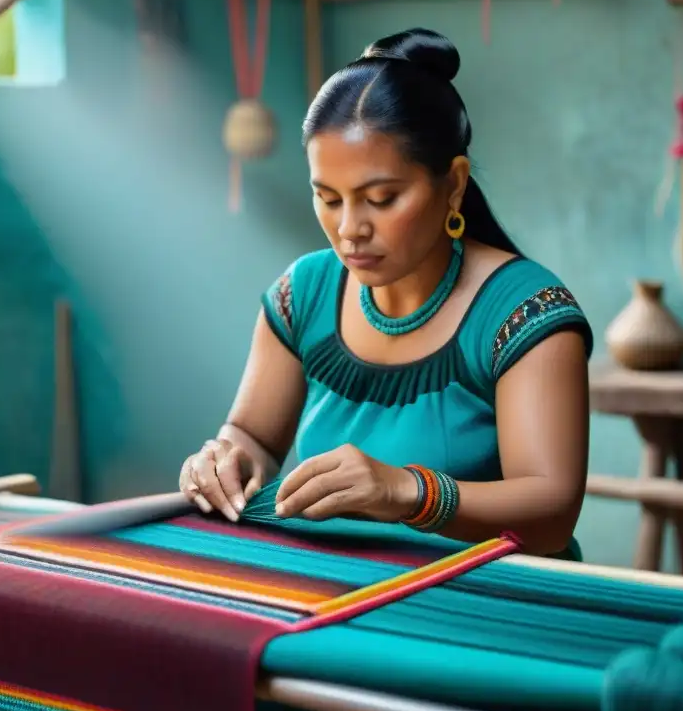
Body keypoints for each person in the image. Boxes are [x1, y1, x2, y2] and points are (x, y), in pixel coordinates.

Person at [180, 27, 592, 557]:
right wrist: (225, 461)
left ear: (454, 184)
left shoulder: (522, 312)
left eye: (382, 198)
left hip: (486, 607)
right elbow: (253, 438)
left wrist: (407, 492)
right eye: (328, 199)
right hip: (332, 597)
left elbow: (551, 518)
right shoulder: (304, 292)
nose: (350, 228)